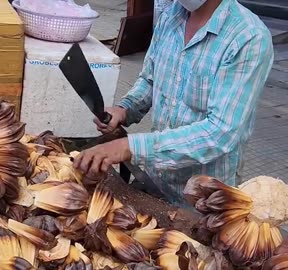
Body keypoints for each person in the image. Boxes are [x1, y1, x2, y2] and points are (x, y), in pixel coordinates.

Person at [73, 0, 274, 206]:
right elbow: (149, 80)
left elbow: (220, 133)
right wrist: (125, 109)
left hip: (203, 201)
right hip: (155, 182)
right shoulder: (171, 16)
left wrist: (130, 147)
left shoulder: (248, 38)